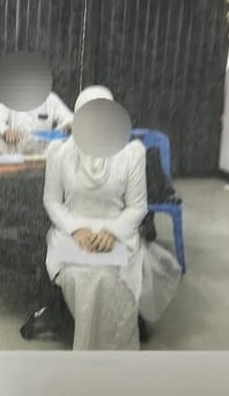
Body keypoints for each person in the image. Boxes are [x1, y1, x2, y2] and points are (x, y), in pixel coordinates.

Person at [43, 86, 180, 351]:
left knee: (109, 278)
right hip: (72, 233)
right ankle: (89, 353)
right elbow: (52, 202)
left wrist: (112, 232)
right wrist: (76, 229)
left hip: (119, 232)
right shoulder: (59, 153)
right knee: (80, 275)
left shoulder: (131, 154)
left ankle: (112, 355)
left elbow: (137, 207)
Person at [0, 91, 73, 144]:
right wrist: (6, 130)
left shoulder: (51, 99)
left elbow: (69, 118)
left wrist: (69, 125)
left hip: (43, 154)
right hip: (16, 153)